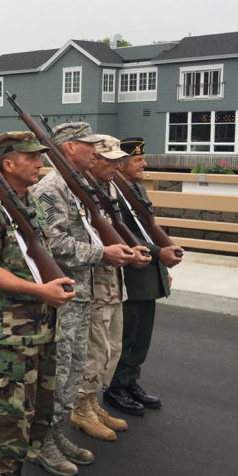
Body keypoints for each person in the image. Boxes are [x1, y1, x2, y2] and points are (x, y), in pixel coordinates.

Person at [0, 131, 75, 476]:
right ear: (8, 164)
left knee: (38, 415)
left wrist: (57, 281)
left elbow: (38, 257)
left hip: (45, 331)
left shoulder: (31, 204)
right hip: (11, 337)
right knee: (9, 419)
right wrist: (39, 291)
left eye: (40, 156)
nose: (39, 163)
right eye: (31, 158)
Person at [32, 122, 134, 476]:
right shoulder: (51, 189)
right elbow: (55, 244)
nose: (94, 150)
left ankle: (57, 434)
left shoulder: (78, 186)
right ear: (68, 147)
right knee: (58, 373)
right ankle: (42, 441)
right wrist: (101, 253)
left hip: (83, 289)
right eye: (87, 144)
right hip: (65, 291)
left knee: (75, 369)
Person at [71, 135, 150, 441]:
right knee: (94, 349)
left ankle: (93, 402)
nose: (118, 165)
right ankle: (80, 407)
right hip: (93, 283)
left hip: (113, 283)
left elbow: (115, 229)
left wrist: (133, 251)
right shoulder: (82, 190)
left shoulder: (108, 188)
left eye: (120, 160)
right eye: (112, 160)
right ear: (96, 160)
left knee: (111, 348)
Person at [105, 137, 183, 415]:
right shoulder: (111, 191)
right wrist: (158, 253)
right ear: (122, 164)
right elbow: (123, 234)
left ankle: (130, 380)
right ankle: (115, 387)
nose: (144, 164)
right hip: (131, 270)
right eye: (137, 160)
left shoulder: (135, 188)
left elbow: (148, 228)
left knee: (141, 334)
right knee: (125, 334)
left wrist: (161, 265)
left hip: (148, 269)